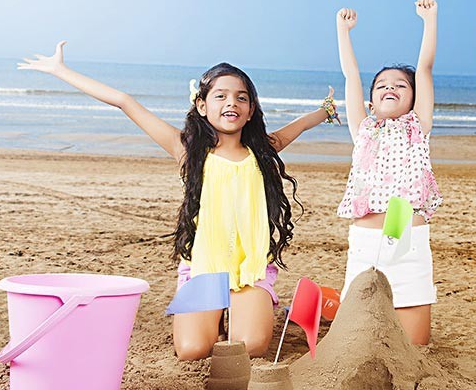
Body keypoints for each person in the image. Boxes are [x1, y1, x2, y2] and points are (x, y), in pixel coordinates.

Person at [18, 41, 338, 360]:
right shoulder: (188, 150)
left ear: (251, 109)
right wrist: (61, 70)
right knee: (192, 350)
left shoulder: (264, 150)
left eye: (242, 98)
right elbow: (124, 102)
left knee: (250, 347)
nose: (232, 103)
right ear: (201, 105)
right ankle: (218, 320)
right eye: (221, 96)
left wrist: (326, 110)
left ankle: (235, 315)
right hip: (204, 267)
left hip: (251, 268)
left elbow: (304, 123)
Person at [335, 0, 442, 345]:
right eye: (381, 86)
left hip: (409, 244)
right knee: (357, 340)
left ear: (413, 98)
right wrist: (343, 31)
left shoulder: (418, 127)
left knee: (414, 346)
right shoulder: (362, 129)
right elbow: (351, 75)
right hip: (366, 246)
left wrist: (429, 21)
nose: (390, 88)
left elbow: (424, 68)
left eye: (400, 85)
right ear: (371, 102)